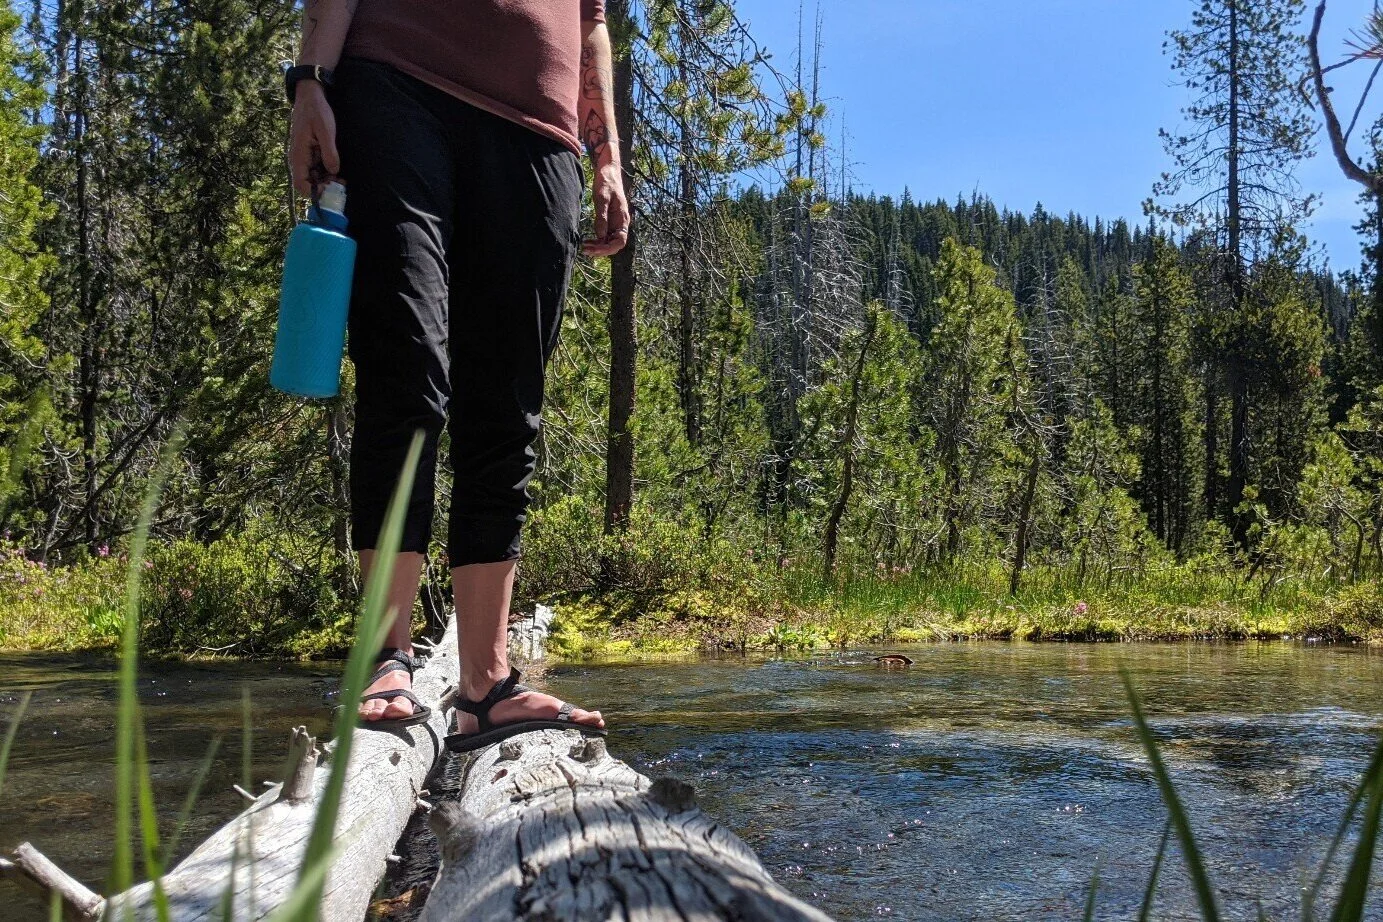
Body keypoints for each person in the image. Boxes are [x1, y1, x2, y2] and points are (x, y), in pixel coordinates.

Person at [286, 0, 628, 749]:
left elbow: (591, 20)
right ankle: (385, 655)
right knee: (405, 370)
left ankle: (486, 686)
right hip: (396, 89)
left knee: (508, 405)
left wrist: (605, 154)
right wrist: (311, 81)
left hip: (540, 137)